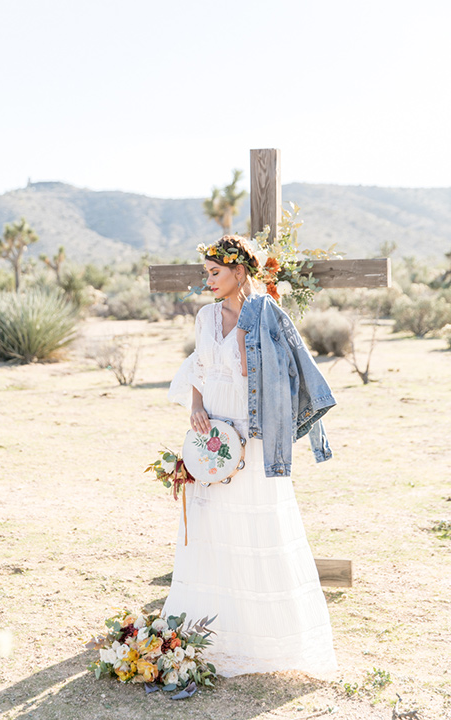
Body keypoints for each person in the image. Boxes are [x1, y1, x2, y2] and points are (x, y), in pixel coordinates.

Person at [163, 235, 337, 677]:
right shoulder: (204, 317)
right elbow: (200, 367)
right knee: (210, 524)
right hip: (213, 432)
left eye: (215, 273)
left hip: (253, 432)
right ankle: (210, 628)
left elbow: (284, 371)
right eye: (206, 273)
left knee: (253, 522)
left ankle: (260, 639)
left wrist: (247, 337)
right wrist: (196, 407)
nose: (209, 281)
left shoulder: (266, 313)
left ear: (240, 271)